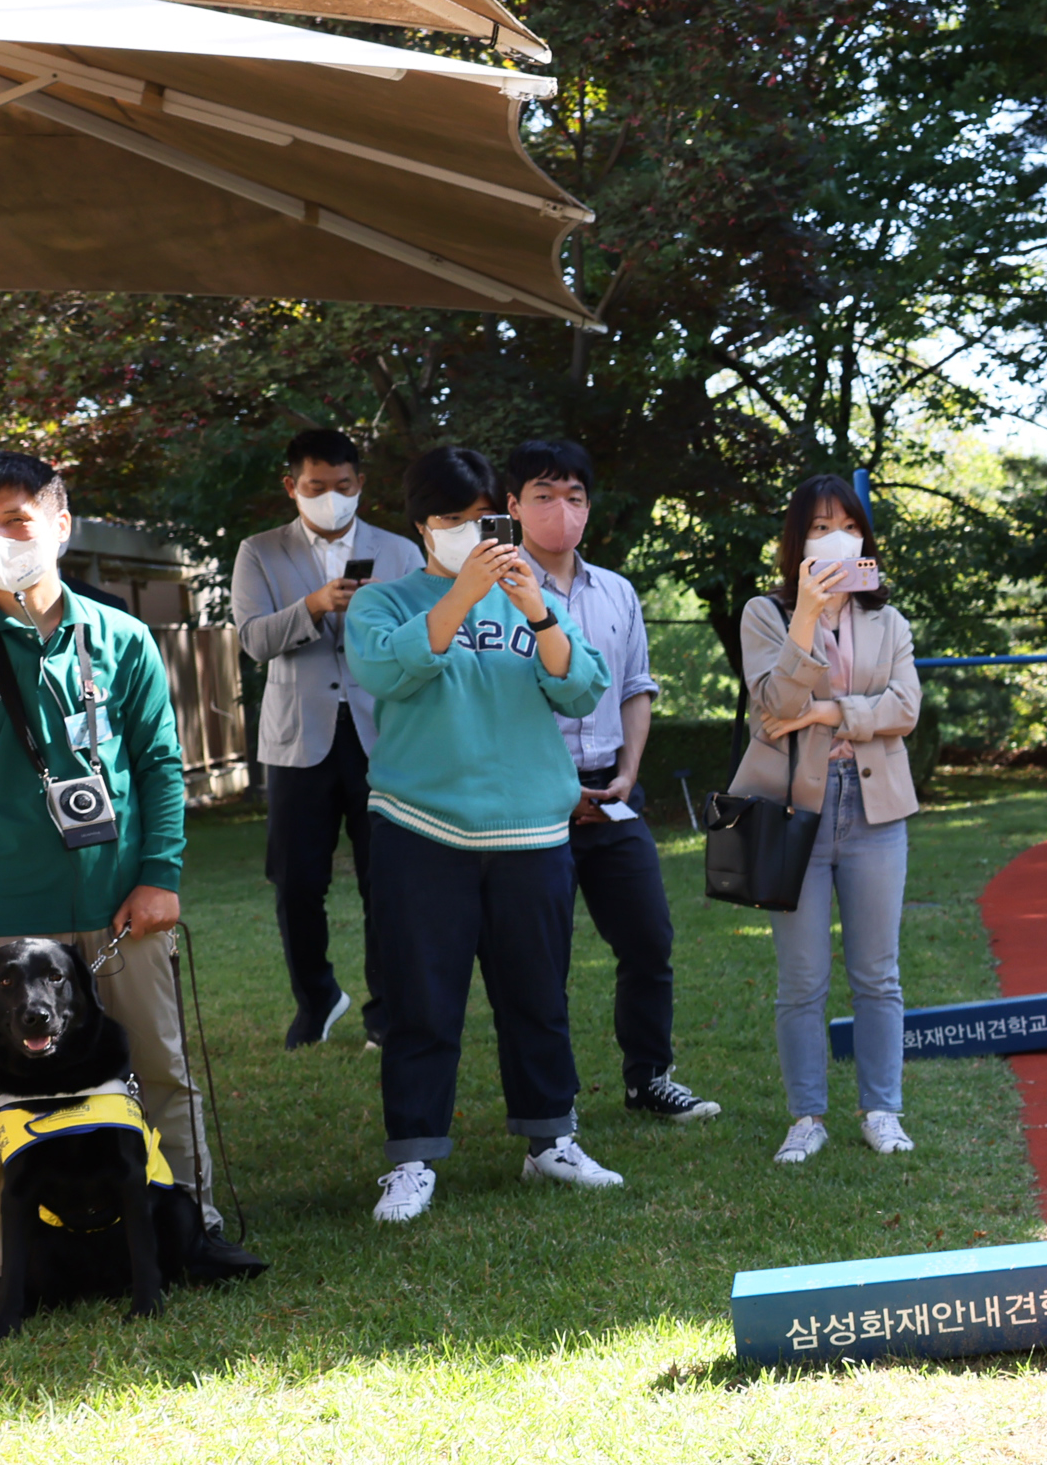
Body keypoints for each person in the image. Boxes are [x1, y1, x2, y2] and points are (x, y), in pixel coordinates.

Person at [0, 454, 251, 1322]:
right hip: (0, 927)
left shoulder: (120, 637)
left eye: (14, 521)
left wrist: (160, 873)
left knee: (158, 1070)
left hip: (119, 909)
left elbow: (162, 764)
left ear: (60, 523)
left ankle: (188, 1227)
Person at [346, 447, 621, 1223]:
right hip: (420, 828)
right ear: (420, 526)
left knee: (537, 999)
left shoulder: (527, 594)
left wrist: (536, 609)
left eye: (481, 520)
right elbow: (388, 673)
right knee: (420, 1003)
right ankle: (414, 1156)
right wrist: (458, 600)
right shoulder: (386, 602)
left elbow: (582, 686)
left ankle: (551, 1142)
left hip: (532, 831)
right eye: (451, 522)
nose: (471, 534)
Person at [506, 438, 713, 1125]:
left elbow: (634, 689)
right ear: (513, 506)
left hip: (615, 796)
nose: (561, 511)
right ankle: (553, 1105)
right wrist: (555, 789)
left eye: (574, 497)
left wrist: (628, 772)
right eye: (543, 495)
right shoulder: (496, 596)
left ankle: (649, 1077)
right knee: (545, 962)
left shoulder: (618, 591)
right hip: (535, 803)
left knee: (648, 941)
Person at [738, 474, 920, 1164]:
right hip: (797, 811)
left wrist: (826, 713)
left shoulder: (888, 619)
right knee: (803, 977)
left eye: (846, 524)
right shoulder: (766, 613)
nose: (835, 537)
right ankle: (806, 1115)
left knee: (879, 974)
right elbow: (771, 704)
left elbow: (906, 708)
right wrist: (806, 616)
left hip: (875, 810)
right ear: (796, 541)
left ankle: (882, 1109)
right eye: (818, 528)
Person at [228, 427, 415, 1052]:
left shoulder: (401, 551)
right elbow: (253, 641)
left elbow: (428, 632)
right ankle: (316, 998)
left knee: (385, 879)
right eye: (316, 488)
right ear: (292, 487)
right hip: (297, 739)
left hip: (383, 736)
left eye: (342, 486)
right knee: (296, 881)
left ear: (360, 484)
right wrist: (312, 605)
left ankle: (386, 1012)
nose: (331, 497)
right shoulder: (259, 551)